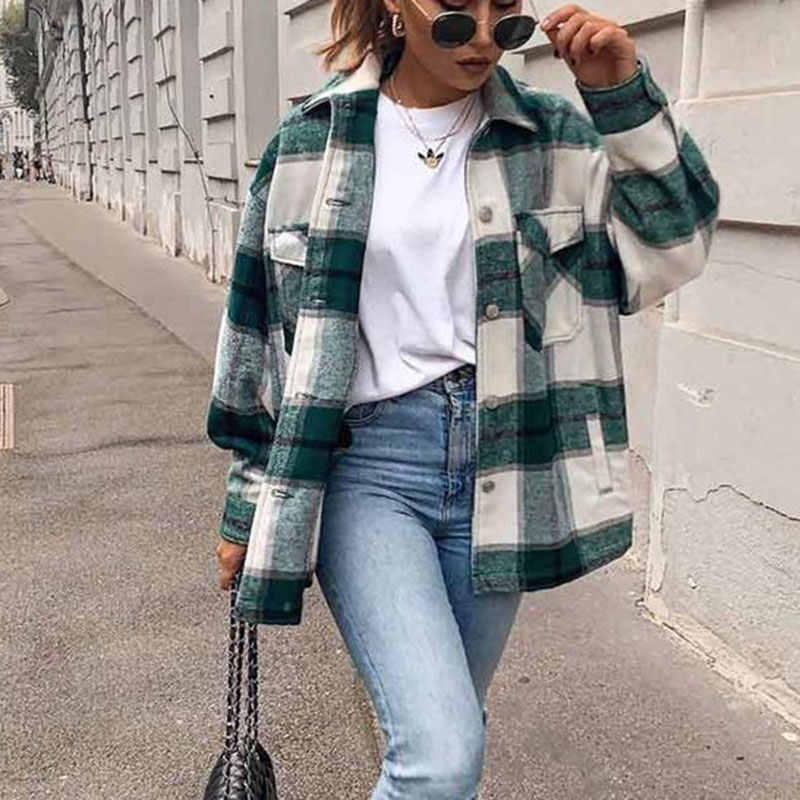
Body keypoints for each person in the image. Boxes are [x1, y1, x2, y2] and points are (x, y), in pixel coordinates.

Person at [206, 2, 720, 797]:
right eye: (455, 15)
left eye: (505, 16)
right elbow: (258, 335)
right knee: (441, 756)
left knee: (454, 740)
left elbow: (672, 251)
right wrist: (248, 503)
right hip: (369, 467)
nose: (483, 39)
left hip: (506, 463)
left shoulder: (552, 136)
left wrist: (621, 95)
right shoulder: (310, 143)